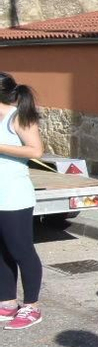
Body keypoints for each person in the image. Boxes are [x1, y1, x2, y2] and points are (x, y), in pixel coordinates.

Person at [0, 73, 45, 330]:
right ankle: (7, 302)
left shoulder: (18, 117)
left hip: (14, 197)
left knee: (21, 251)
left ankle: (32, 306)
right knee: (1, 252)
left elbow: (36, 150)